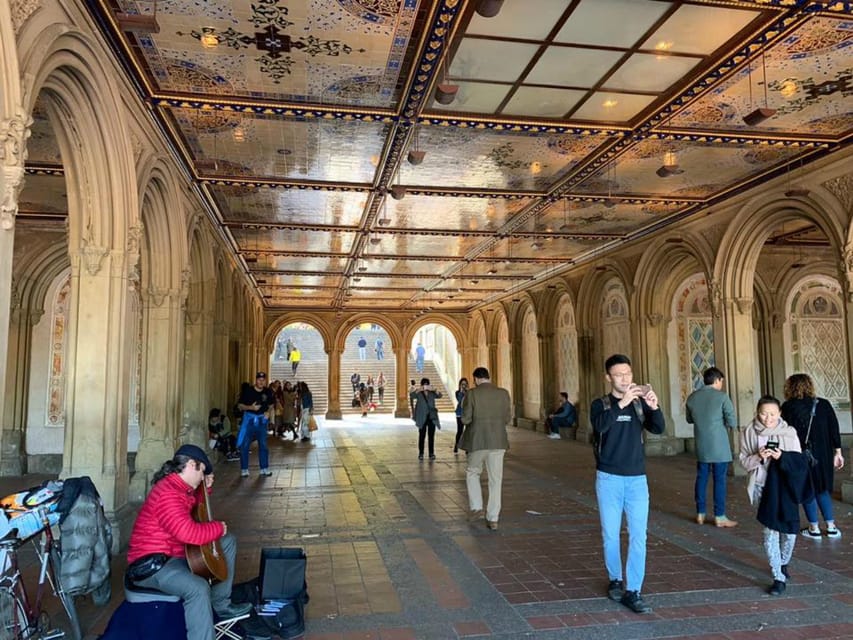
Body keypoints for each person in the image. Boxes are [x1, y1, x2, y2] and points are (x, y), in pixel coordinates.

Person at [126, 445, 252, 640]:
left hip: (172, 555)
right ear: (192, 465)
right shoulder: (167, 493)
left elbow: (192, 509)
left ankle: (221, 604)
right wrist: (217, 528)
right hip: (152, 564)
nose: (202, 477)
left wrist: (205, 490)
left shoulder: (180, 488)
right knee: (197, 588)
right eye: (202, 471)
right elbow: (188, 533)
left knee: (227, 542)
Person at [590, 354, 665, 615]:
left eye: (628, 374)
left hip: (637, 479)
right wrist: (621, 403)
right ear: (608, 377)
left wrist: (654, 407)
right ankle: (615, 579)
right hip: (609, 478)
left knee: (638, 536)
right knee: (610, 534)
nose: (625, 379)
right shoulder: (600, 404)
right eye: (619, 375)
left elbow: (658, 429)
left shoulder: (639, 404)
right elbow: (600, 427)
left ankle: (634, 590)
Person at [739, 395, 809, 595]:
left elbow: (798, 463)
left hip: (785, 488)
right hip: (762, 486)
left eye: (772, 414)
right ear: (757, 413)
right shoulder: (749, 432)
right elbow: (744, 461)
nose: (768, 418)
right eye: (763, 413)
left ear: (779, 413)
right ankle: (777, 576)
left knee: (789, 530)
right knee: (770, 530)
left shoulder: (789, 432)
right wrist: (758, 457)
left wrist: (782, 457)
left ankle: (784, 561)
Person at [781, 373, 845, 539]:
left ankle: (814, 527)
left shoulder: (787, 407)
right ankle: (831, 526)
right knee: (822, 488)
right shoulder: (823, 404)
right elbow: (834, 429)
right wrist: (838, 452)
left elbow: (783, 433)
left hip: (799, 454)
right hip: (823, 455)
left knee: (807, 489)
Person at [685, 367, 738, 527]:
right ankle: (719, 516)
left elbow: (689, 419)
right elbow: (732, 422)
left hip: (701, 445)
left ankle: (700, 513)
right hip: (720, 447)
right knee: (719, 480)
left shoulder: (692, 398)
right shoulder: (722, 397)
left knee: (701, 478)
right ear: (717, 380)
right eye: (721, 381)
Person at [460, 367, 511, 531]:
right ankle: (493, 518)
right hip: (498, 441)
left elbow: (466, 419)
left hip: (478, 441)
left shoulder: (472, 394)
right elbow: (507, 418)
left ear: (475, 379)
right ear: (489, 377)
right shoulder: (503, 393)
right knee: (496, 479)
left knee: (473, 471)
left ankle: (476, 506)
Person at [236, 372, 273, 478]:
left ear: (265, 381)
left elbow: (271, 404)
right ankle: (244, 468)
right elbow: (240, 406)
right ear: (256, 380)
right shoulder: (248, 391)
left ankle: (264, 467)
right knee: (245, 444)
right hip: (249, 421)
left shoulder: (267, 391)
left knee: (263, 444)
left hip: (262, 421)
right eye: (259, 379)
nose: (261, 382)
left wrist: (268, 412)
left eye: (263, 380)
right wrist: (250, 408)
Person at [411, 377, 442, 460]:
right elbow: (412, 395)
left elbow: (440, 395)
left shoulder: (432, 393)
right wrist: (419, 389)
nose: (425, 387)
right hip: (422, 418)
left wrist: (434, 389)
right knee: (422, 435)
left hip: (431, 417)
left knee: (431, 436)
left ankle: (431, 453)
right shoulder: (419, 393)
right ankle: (421, 453)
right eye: (424, 385)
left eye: (427, 384)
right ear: (421, 385)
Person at [454, 378, 468, 453]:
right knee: (460, 431)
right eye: (462, 384)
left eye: (465, 384)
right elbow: (460, 401)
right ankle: (456, 445)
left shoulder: (469, 392)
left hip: (467, 414)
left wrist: (467, 392)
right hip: (459, 413)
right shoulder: (457, 393)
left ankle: (467, 447)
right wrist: (462, 392)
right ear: (460, 385)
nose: (464, 386)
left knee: (468, 431)